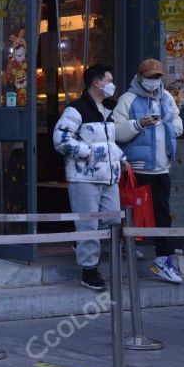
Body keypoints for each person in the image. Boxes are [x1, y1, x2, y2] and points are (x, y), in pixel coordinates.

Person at [53, 64, 127, 291]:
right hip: (84, 178)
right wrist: (86, 153)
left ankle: (82, 242)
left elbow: (108, 142)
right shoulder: (76, 110)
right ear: (97, 82)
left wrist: (121, 157)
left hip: (109, 177)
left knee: (113, 219)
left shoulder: (109, 109)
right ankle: (89, 270)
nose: (112, 84)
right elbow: (61, 139)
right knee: (88, 223)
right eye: (109, 79)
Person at [113, 58, 184, 284]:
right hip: (137, 168)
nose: (154, 81)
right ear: (140, 77)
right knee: (133, 213)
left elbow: (177, 123)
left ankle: (163, 259)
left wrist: (169, 125)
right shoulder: (128, 99)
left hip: (162, 167)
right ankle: (129, 245)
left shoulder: (167, 97)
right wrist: (139, 124)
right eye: (150, 77)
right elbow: (115, 132)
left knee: (162, 213)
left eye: (157, 77)